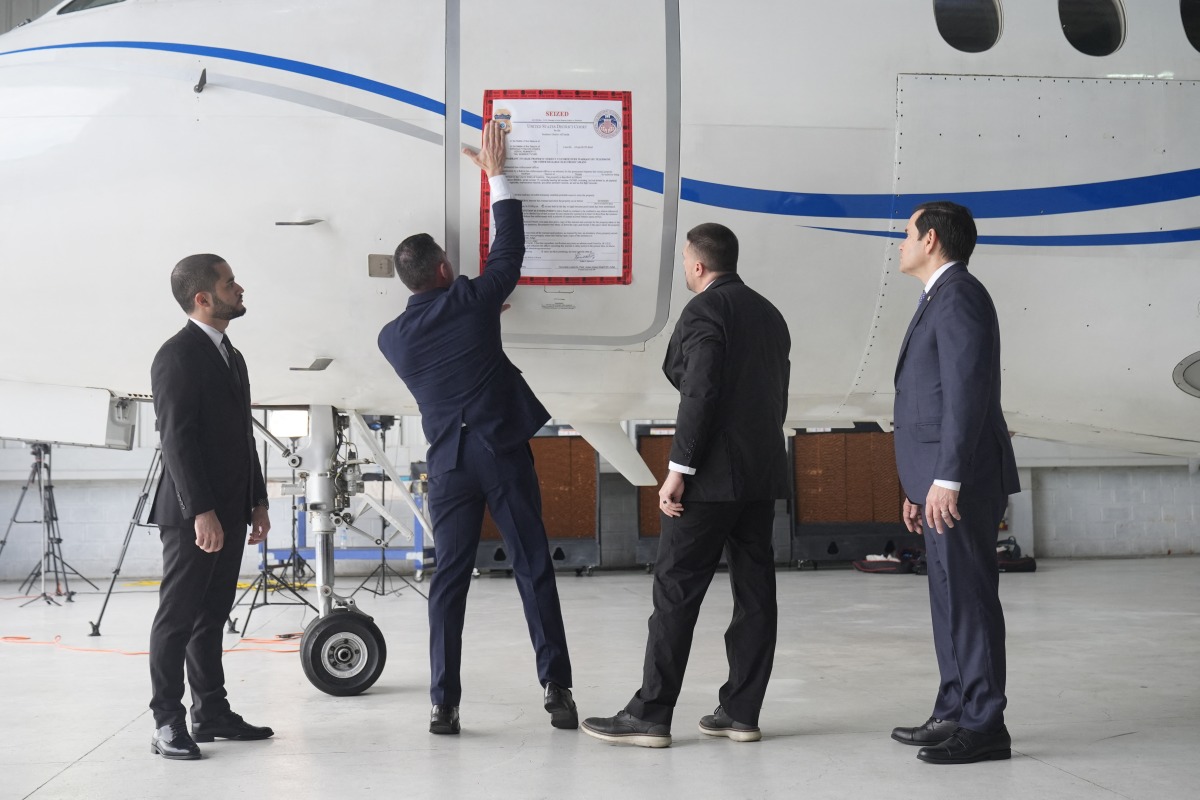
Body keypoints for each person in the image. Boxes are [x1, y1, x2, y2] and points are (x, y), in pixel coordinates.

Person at [377, 121, 576, 735]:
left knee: (449, 582)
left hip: (447, 466)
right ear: (443, 268)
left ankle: (444, 704)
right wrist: (497, 175)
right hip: (501, 451)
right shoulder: (470, 300)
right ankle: (557, 691)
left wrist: (478, 310)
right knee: (532, 567)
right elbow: (507, 251)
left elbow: (447, 335)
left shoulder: (392, 339)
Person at [582, 222, 791, 748]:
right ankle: (741, 712)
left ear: (697, 265)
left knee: (676, 592)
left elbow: (698, 391)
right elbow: (774, 394)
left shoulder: (704, 311)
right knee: (755, 595)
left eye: (683, 262)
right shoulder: (770, 314)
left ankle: (650, 715)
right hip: (761, 473)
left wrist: (679, 470)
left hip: (710, 478)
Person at [890, 201, 1020, 764]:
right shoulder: (938, 296)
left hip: (961, 480)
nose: (901, 244)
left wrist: (947, 477)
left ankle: (985, 726)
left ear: (931, 240)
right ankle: (954, 710)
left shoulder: (960, 294)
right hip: (937, 480)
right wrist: (918, 485)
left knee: (969, 600)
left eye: (907, 234)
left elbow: (966, 393)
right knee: (948, 600)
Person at [147, 254, 273, 760]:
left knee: (213, 615)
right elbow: (176, 441)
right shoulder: (176, 356)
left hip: (232, 509)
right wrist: (201, 511)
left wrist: (257, 500)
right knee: (177, 618)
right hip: (192, 515)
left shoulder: (231, 356)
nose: (239, 289)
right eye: (229, 283)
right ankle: (166, 722)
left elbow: (243, 436)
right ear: (203, 299)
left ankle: (211, 713)